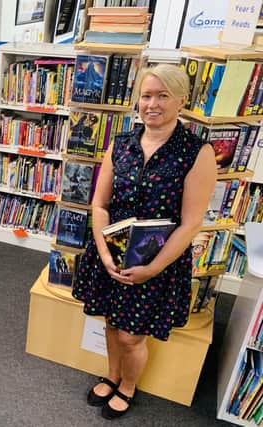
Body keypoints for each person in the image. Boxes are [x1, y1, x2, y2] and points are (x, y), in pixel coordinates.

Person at [71, 63, 217, 420]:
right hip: (111, 254)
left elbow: (190, 223)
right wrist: (104, 252)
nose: (152, 104)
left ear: (181, 99)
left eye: (163, 95)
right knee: (110, 323)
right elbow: (100, 204)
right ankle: (112, 374)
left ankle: (128, 387)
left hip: (156, 262)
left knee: (131, 337)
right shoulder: (120, 145)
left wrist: (152, 268)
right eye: (146, 95)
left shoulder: (197, 153)